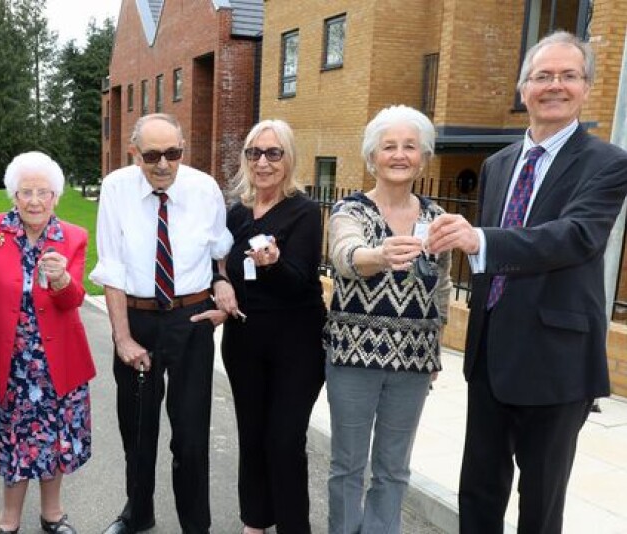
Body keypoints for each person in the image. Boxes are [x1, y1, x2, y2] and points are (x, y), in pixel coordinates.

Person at [427, 32, 627, 533]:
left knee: (539, 504)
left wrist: (479, 240)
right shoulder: (497, 165)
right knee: (477, 490)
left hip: (554, 361)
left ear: (585, 87)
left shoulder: (608, 163)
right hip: (490, 355)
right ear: (523, 89)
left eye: (568, 75)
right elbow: (489, 258)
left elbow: (575, 237)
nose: (554, 85)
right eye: (543, 76)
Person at [90, 113, 232, 534]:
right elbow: (111, 267)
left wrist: (222, 284)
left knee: (190, 435)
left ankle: (195, 525)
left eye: (173, 153)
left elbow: (220, 248)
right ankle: (139, 512)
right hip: (137, 318)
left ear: (183, 148)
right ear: (135, 154)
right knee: (138, 429)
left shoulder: (204, 188)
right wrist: (123, 338)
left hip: (191, 320)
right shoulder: (116, 189)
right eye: (152, 155)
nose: (164, 164)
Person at [323, 105, 452, 534]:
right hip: (353, 357)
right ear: (372, 156)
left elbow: (442, 288)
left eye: (410, 146)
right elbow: (344, 254)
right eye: (389, 146)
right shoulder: (350, 210)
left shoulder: (436, 219)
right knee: (348, 466)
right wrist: (377, 257)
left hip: (413, 362)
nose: (399, 155)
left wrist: (435, 350)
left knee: (394, 469)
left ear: (423, 156)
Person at [0, 151, 95, 534]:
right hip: (14, 363)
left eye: (44, 192)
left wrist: (62, 281)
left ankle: (53, 514)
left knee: (55, 440)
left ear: (56, 196)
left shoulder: (72, 236)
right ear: (13, 196)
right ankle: (9, 519)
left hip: (59, 363)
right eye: (26, 192)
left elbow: (71, 303)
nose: (35, 201)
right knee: (14, 442)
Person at [210, 119, 326, 534]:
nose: (263, 162)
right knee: (253, 436)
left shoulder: (305, 212)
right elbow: (214, 263)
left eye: (273, 153)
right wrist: (220, 282)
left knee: (284, 440)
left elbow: (299, 282)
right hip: (244, 341)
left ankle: (294, 527)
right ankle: (255, 521)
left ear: (288, 158)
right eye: (254, 153)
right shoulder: (235, 213)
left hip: (297, 343)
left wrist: (274, 265)